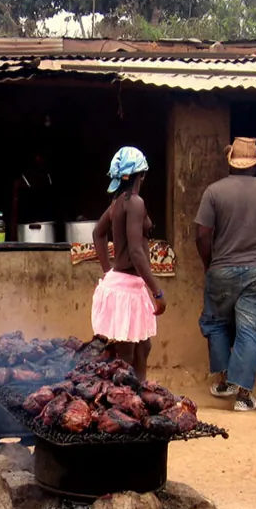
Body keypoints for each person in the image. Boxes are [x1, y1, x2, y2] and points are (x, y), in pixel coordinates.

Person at [195, 137, 256, 412]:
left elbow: (202, 234)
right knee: (250, 328)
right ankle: (244, 396)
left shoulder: (213, 192)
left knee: (217, 324)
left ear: (231, 162)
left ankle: (224, 383)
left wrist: (208, 263)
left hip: (221, 267)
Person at [91, 147, 166, 379]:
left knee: (143, 348)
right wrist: (158, 292)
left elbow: (98, 233)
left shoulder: (117, 203)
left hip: (126, 285)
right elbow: (136, 251)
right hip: (127, 288)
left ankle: (138, 396)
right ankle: (128, 402)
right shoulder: (135, 202)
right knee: (127, 356)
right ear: (141, 175)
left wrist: (108, 271)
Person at [10, 150, 53, 241]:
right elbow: (15, 207)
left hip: (46, 227)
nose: (39, 160)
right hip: (27, 229)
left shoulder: (48, 178)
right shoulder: (22, 180)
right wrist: (13, 233)